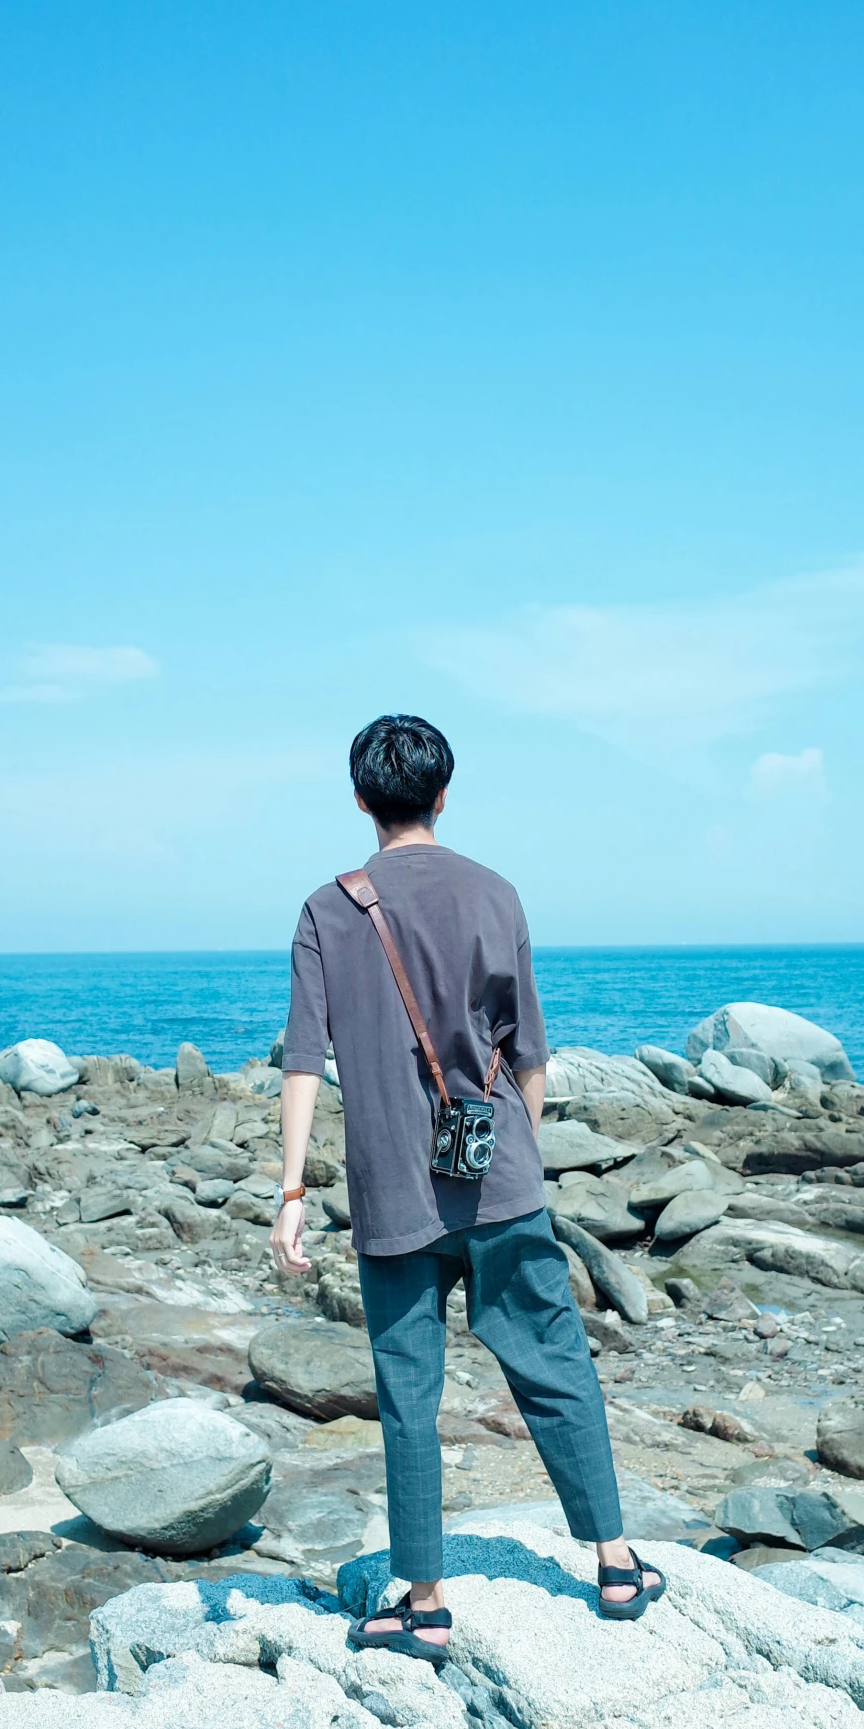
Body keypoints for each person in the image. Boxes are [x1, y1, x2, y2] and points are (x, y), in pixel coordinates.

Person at [270, 711, 662, 1661]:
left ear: (362, 800)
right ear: (444, 794)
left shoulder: (330, 908)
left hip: (392, 1192)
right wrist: (517, 1148)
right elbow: (528, 1049)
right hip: (501, 1180)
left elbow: (302, 1062)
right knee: (555, 1364)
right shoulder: (497, 894)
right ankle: (614, 1562)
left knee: (408, 1391)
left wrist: (290, 1193)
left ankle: (425, 1597)